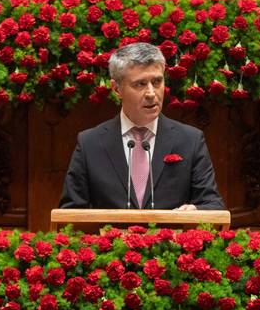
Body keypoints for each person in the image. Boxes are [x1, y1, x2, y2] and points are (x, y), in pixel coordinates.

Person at [59, 42, 224, 211]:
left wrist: (195, 212)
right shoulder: (90, 143)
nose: (152, 93)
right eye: (140, 84)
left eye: (157, 82)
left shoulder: (190, 140)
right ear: (116, 89)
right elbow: (70, 214)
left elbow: (213, 205)